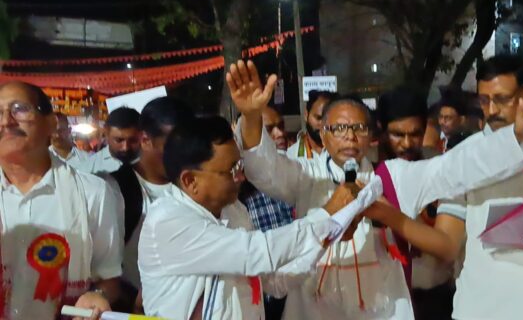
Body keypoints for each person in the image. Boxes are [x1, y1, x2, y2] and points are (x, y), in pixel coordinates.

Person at [226, 59, 523, 320]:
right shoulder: (305, 174)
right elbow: (264, 170)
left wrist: (516, 136)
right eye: (339, 128)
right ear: (323, 134)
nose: (349, 136)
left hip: (380, 308)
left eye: (358, 127)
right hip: (314, 308)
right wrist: (252, 117)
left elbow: (454, 168)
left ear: (371, 136)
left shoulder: (391, 178)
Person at [370, 55, 523, 320]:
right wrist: (390, 216)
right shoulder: (463, 157)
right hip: (483, 307)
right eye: (484, 100)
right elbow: (448, 243)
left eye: (502, 99)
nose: (492, 109)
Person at [138, 116, 361, 320]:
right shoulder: (167, 221)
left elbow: (274, 280)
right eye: (231, 170)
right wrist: (327, 214)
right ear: (190, 181)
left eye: (240, 165)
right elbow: (255, 253)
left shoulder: (233, 210)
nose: (241, 177)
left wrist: (327, 236)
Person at [0, 81, 123, 320]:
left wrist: (98, 295)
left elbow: (109, 278)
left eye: (19, 109)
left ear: (51, 123)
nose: (6, 121)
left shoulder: (93, 193)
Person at [109, 97, 193, 311]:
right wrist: (133, 298)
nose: (184, 156)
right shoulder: (117, 191)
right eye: (174, 147)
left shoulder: (193, 185)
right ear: (145, 140)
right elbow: (102, 266)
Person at [377, 87, 454, 320]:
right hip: (386, 299)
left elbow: (449, 244)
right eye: (397, 134)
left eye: (415, 134)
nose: (407, 143)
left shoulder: (439, 169)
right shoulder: (368, 175)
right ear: (381, 130)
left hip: (435, 297)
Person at [241, 105, 295, 319]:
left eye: (281, 126)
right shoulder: (240, 187)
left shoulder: (295, 172)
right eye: (269, 129)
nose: (280, 134)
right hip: (266, 299)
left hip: (301, 288)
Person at [78, 107, 141, 175]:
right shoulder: (88, 170)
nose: (125, 147)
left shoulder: (149, 163)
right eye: (118, 140)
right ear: (106, 134)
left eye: (133, 140)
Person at [287, 90, 338, 160]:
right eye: (318, 118)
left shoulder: (343, 153)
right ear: (306, 115)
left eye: (328, 119)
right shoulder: (292, 156)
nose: (323, 125)